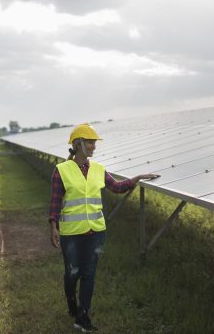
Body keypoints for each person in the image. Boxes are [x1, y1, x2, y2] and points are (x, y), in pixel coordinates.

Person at [49, 123, 159, 332]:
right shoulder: (61, 170)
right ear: (78, 143)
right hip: (72, 234)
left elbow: (116, 187)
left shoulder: (98, 169)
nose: (93, 146)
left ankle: (83, 317)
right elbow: (55, 201)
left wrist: (137, 178)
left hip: (96, 232)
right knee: (72, 273)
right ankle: (72, 303)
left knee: (89, 274)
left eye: (94, 143)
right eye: (90, 142)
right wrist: (53, 225)